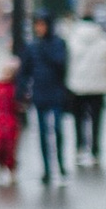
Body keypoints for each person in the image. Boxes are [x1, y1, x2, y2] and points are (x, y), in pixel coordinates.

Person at [19, 15, 71, 185]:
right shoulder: (32, 46)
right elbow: (24, 71)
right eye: (37, 25)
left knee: (57, 130)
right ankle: (47, 169)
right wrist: (22, 90)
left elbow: (62, 64)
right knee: (42, 132)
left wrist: (45, 51)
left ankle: (61, 165)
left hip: (55, 92)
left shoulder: (57, 44)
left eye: (42, 25)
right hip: (40, 94)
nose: (39, 28)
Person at [63, 10, 106, 163]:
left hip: (77, 86)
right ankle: (95, 150)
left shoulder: (72, 40)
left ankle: (79, 148)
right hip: (99, 86)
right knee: (97, 119)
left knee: (78, 119)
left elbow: (66, 63)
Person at [0, 46, 23, 183]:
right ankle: (1, 165)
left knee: (10, 147)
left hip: (11, 121)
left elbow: (19, 104)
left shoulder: (14, 89)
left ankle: (11, 168)